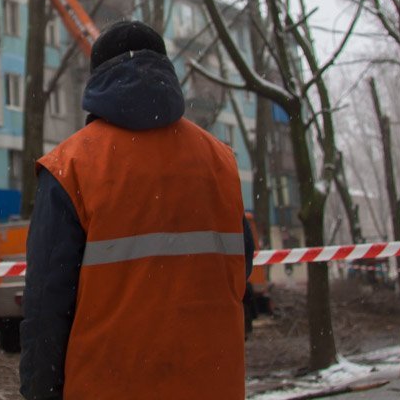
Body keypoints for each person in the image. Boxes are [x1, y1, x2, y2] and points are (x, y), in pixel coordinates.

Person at [20, 20, 254, 400]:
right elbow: (239, 269)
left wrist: (39, 392)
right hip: (212, 383)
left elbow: (47, 304)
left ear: (97, 80)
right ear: (165, 70)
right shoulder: (219, 162)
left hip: (111, 385)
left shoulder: (71, 167)